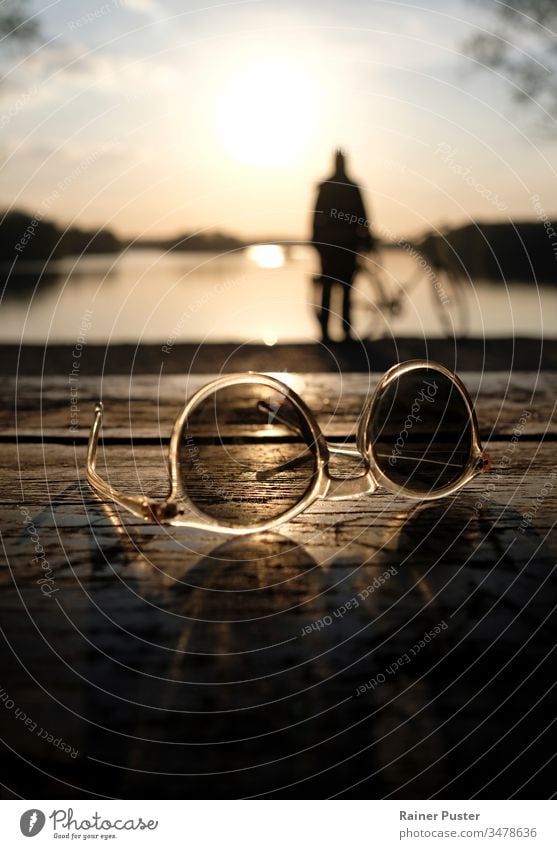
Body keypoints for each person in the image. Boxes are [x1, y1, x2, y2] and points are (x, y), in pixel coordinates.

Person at [311, 149, 374, 341]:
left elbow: (316, 216)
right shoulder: (350, 186)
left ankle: (329, 332)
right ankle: (338, 331)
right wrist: (366, 238)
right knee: (342, 288)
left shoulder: (327, 186)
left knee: (334, 287)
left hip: (336, 244)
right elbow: (363, 217)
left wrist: (315, 239)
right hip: (344, 243)